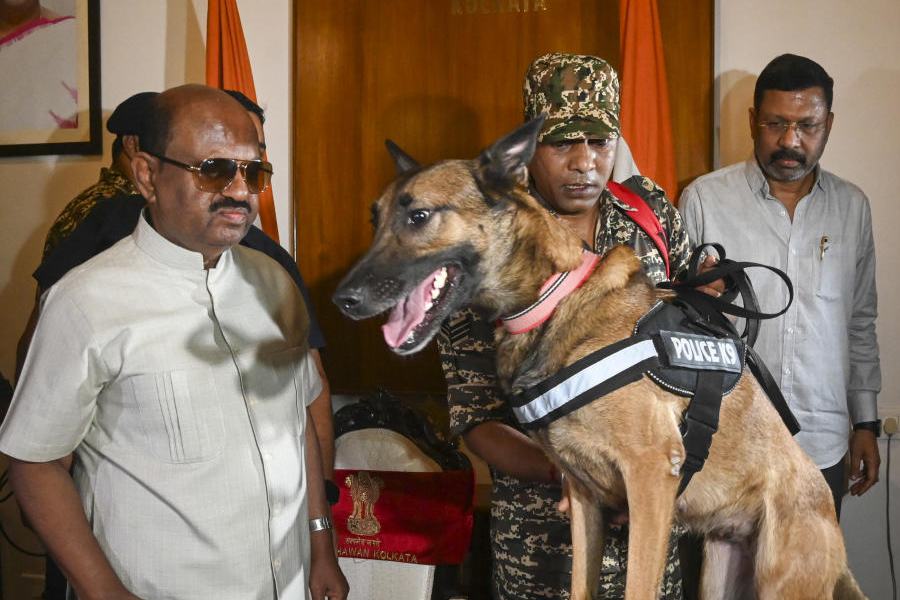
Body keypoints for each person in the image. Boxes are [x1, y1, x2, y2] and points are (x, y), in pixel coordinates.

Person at [0, 84, 348, 599]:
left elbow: (297, 420)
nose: (240, 191)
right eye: (214, 169)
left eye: (253, 172)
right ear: (147, 174)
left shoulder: (275, 285)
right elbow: (36, 461)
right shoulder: (84, 301)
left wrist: (321, 544)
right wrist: (106, 592)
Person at [437, 53, 693, 599]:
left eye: (600, 141)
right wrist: (578, 475)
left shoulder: (649, 216)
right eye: (562, 144)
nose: (585, 163)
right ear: (528, 146)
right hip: (542, 550)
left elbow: (686, 361)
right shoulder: (486, 242)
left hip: (648, 543)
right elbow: (475, 416)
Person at [679, 54, 881, 518]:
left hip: (821, 443)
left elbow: (860, 321)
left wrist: (866, 422)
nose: (790, 141)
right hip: (723, 443)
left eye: (807, 126)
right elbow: (671, 327)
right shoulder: (705, 200)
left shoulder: (852, 208)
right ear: (753, 120)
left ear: (828, 124)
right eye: (775, 124)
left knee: (810, 566)